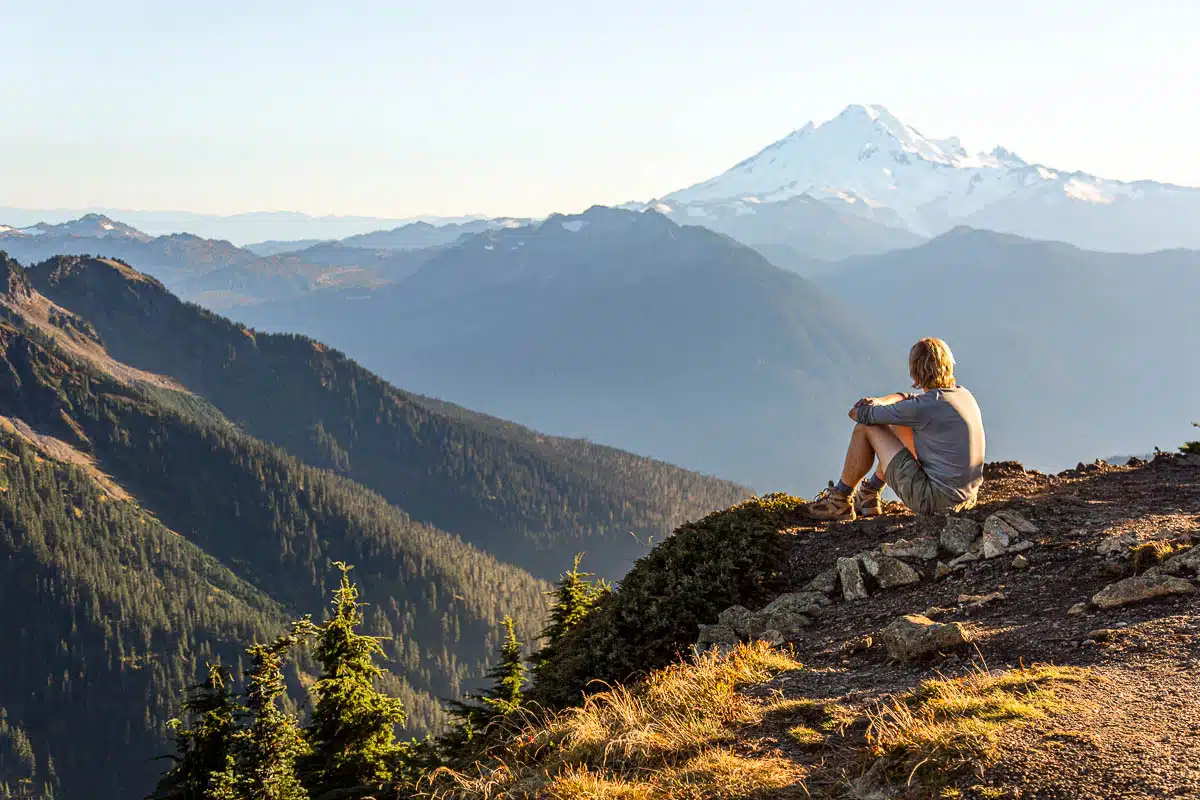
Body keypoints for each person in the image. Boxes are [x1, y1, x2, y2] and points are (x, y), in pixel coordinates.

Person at [806, 337, 985, 521]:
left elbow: (859, 415)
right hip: (966, 499)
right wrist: (881, 401)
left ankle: (840, 500)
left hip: (933, 502)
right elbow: (908, 399)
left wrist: (866, 406)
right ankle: (869, 495)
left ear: (915, 371)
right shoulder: (962, 394)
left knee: (865, 429)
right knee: (900, 423)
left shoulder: (922, 408)